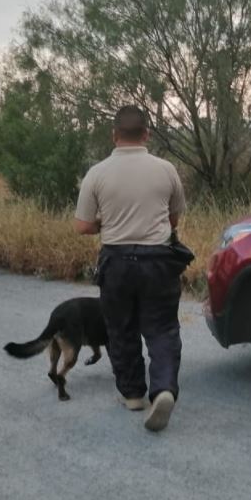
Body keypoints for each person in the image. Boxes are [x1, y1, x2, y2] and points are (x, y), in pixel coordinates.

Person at [74, 105, 187, 432]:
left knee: (120, 328)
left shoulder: (97, 173)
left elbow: (82, 226)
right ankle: (163, 388)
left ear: (114, 135)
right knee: (163, 328)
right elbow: (174, 218)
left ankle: (133, 394)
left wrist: (105, 223)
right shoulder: (166, 169)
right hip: (159, 261)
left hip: (117, 261)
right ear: (147, 134)